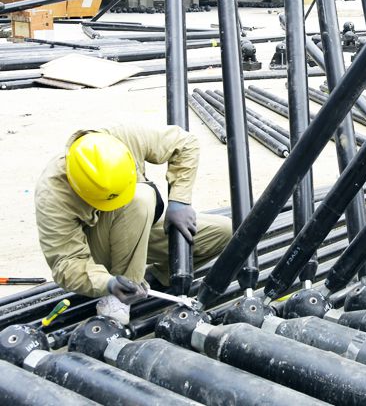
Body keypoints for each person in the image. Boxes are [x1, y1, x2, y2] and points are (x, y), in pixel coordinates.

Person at [35, 124, 232, 324]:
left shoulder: (123, 139)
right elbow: (65, 264)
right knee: (140, 199)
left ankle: (153, 279)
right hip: (98, 253)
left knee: (224, 232)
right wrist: (107, 283)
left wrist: (179, 200)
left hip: (135, 227)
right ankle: (119, 295)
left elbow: (186, 142)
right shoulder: (53, 195)